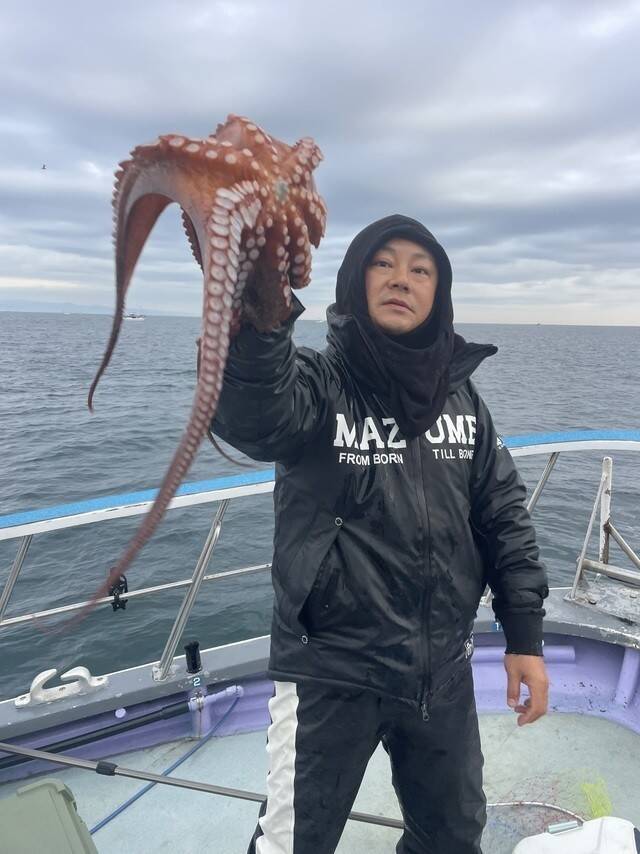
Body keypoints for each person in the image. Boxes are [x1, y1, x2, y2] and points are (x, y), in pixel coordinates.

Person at [211, 214, 550, 854]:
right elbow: (255, 415)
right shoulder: (317, 385)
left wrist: (524, 636)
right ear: (354, 280)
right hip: (330, 671)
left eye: (421, 270)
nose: (401, 279)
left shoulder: (462, 400)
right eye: (383, 263)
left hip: (441, 671)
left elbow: (503, 515)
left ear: (438, 293)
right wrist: (261, 311)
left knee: (452, 838)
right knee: (291, 844)